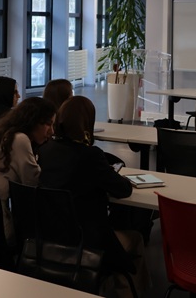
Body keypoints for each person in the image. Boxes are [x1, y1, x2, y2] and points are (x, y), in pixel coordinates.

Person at [39, 96, 150, 297]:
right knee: (136, 239)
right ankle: (131, 291)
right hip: (88, 241)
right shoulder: (90, 156)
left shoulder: (46, 150)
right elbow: (123, 190)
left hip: (51, 236)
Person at [0, 97, 56, 243]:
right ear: (33, 121)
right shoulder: (20, 139)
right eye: (48, 124)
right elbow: (32, 183)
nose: (52, 131)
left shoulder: (4, 134)